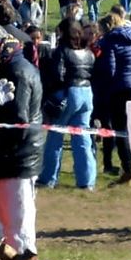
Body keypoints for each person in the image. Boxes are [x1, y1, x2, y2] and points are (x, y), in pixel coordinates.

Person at [0, 25, 43, 260]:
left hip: (16, 159)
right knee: (5, 224)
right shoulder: (10, 66)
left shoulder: (17, 71)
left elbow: (18, 119)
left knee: (17, 225)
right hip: (7, 157)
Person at [94, 9, 131, 182]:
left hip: (120, 87)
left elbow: (110, 69)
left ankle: (128, 166)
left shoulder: (109, 41)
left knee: (120, 128)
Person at [40, 20, 96, 190]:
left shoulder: (61, 51)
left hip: (68, 92)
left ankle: (48, 178)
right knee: (82, 138)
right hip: (87, 93)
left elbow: (58, 75)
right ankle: (87, 181)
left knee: (55, 137)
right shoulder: (88, 52)